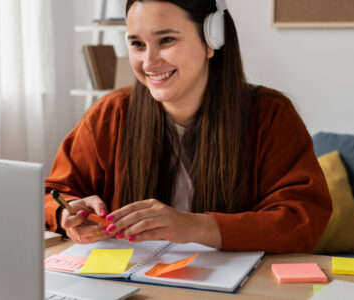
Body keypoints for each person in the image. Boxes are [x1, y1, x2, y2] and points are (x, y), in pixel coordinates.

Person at [44, 0, 332, 253]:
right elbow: (51, 194)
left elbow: (302, 218)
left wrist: (194, 226)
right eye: (137, 44)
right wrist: (65, 213)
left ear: (212, 40)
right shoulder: (110, 114)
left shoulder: (270, 115)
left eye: (167, 40)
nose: (149, 61)